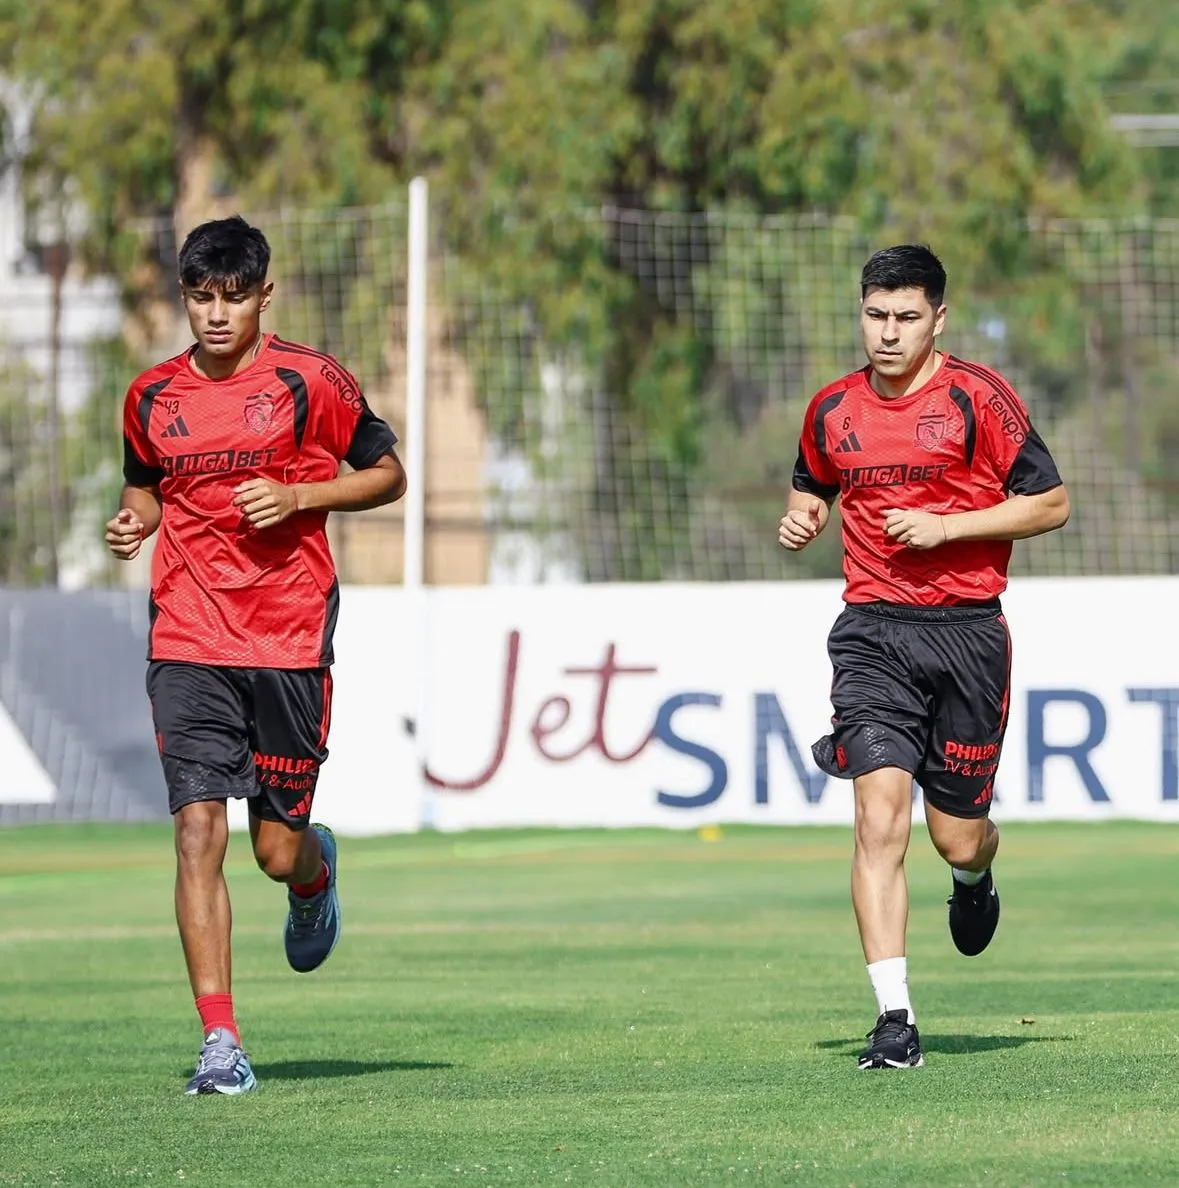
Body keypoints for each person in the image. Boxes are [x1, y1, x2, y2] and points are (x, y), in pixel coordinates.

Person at [105, 215, 407, 1095]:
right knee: (198, 828)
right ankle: (221, 1042)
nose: (215, 315)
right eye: (201, 297)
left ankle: (315, 876)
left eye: (233, 297)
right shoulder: (151, 395)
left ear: (262, 296)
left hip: (287, 634)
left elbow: (387, 473)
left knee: (274, 850)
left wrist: (300, 492)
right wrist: (138, 519)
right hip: (187, 635)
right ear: (185, 297)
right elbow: (145, 481)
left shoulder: (310, 381)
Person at [779, 244, 1069, 1070]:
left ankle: (976, 881)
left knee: (956, 838)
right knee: (877, 817)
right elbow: (813, 482)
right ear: (860, 312)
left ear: (938, 319)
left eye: (906, 317)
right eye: (875, 316)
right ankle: (894, 1017)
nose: (888, 333)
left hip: (968, 634)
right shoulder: (832, 407)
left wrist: (949, 528)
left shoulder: (979, 398)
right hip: (871, 631)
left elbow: (1049, 503)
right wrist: (802, 517)